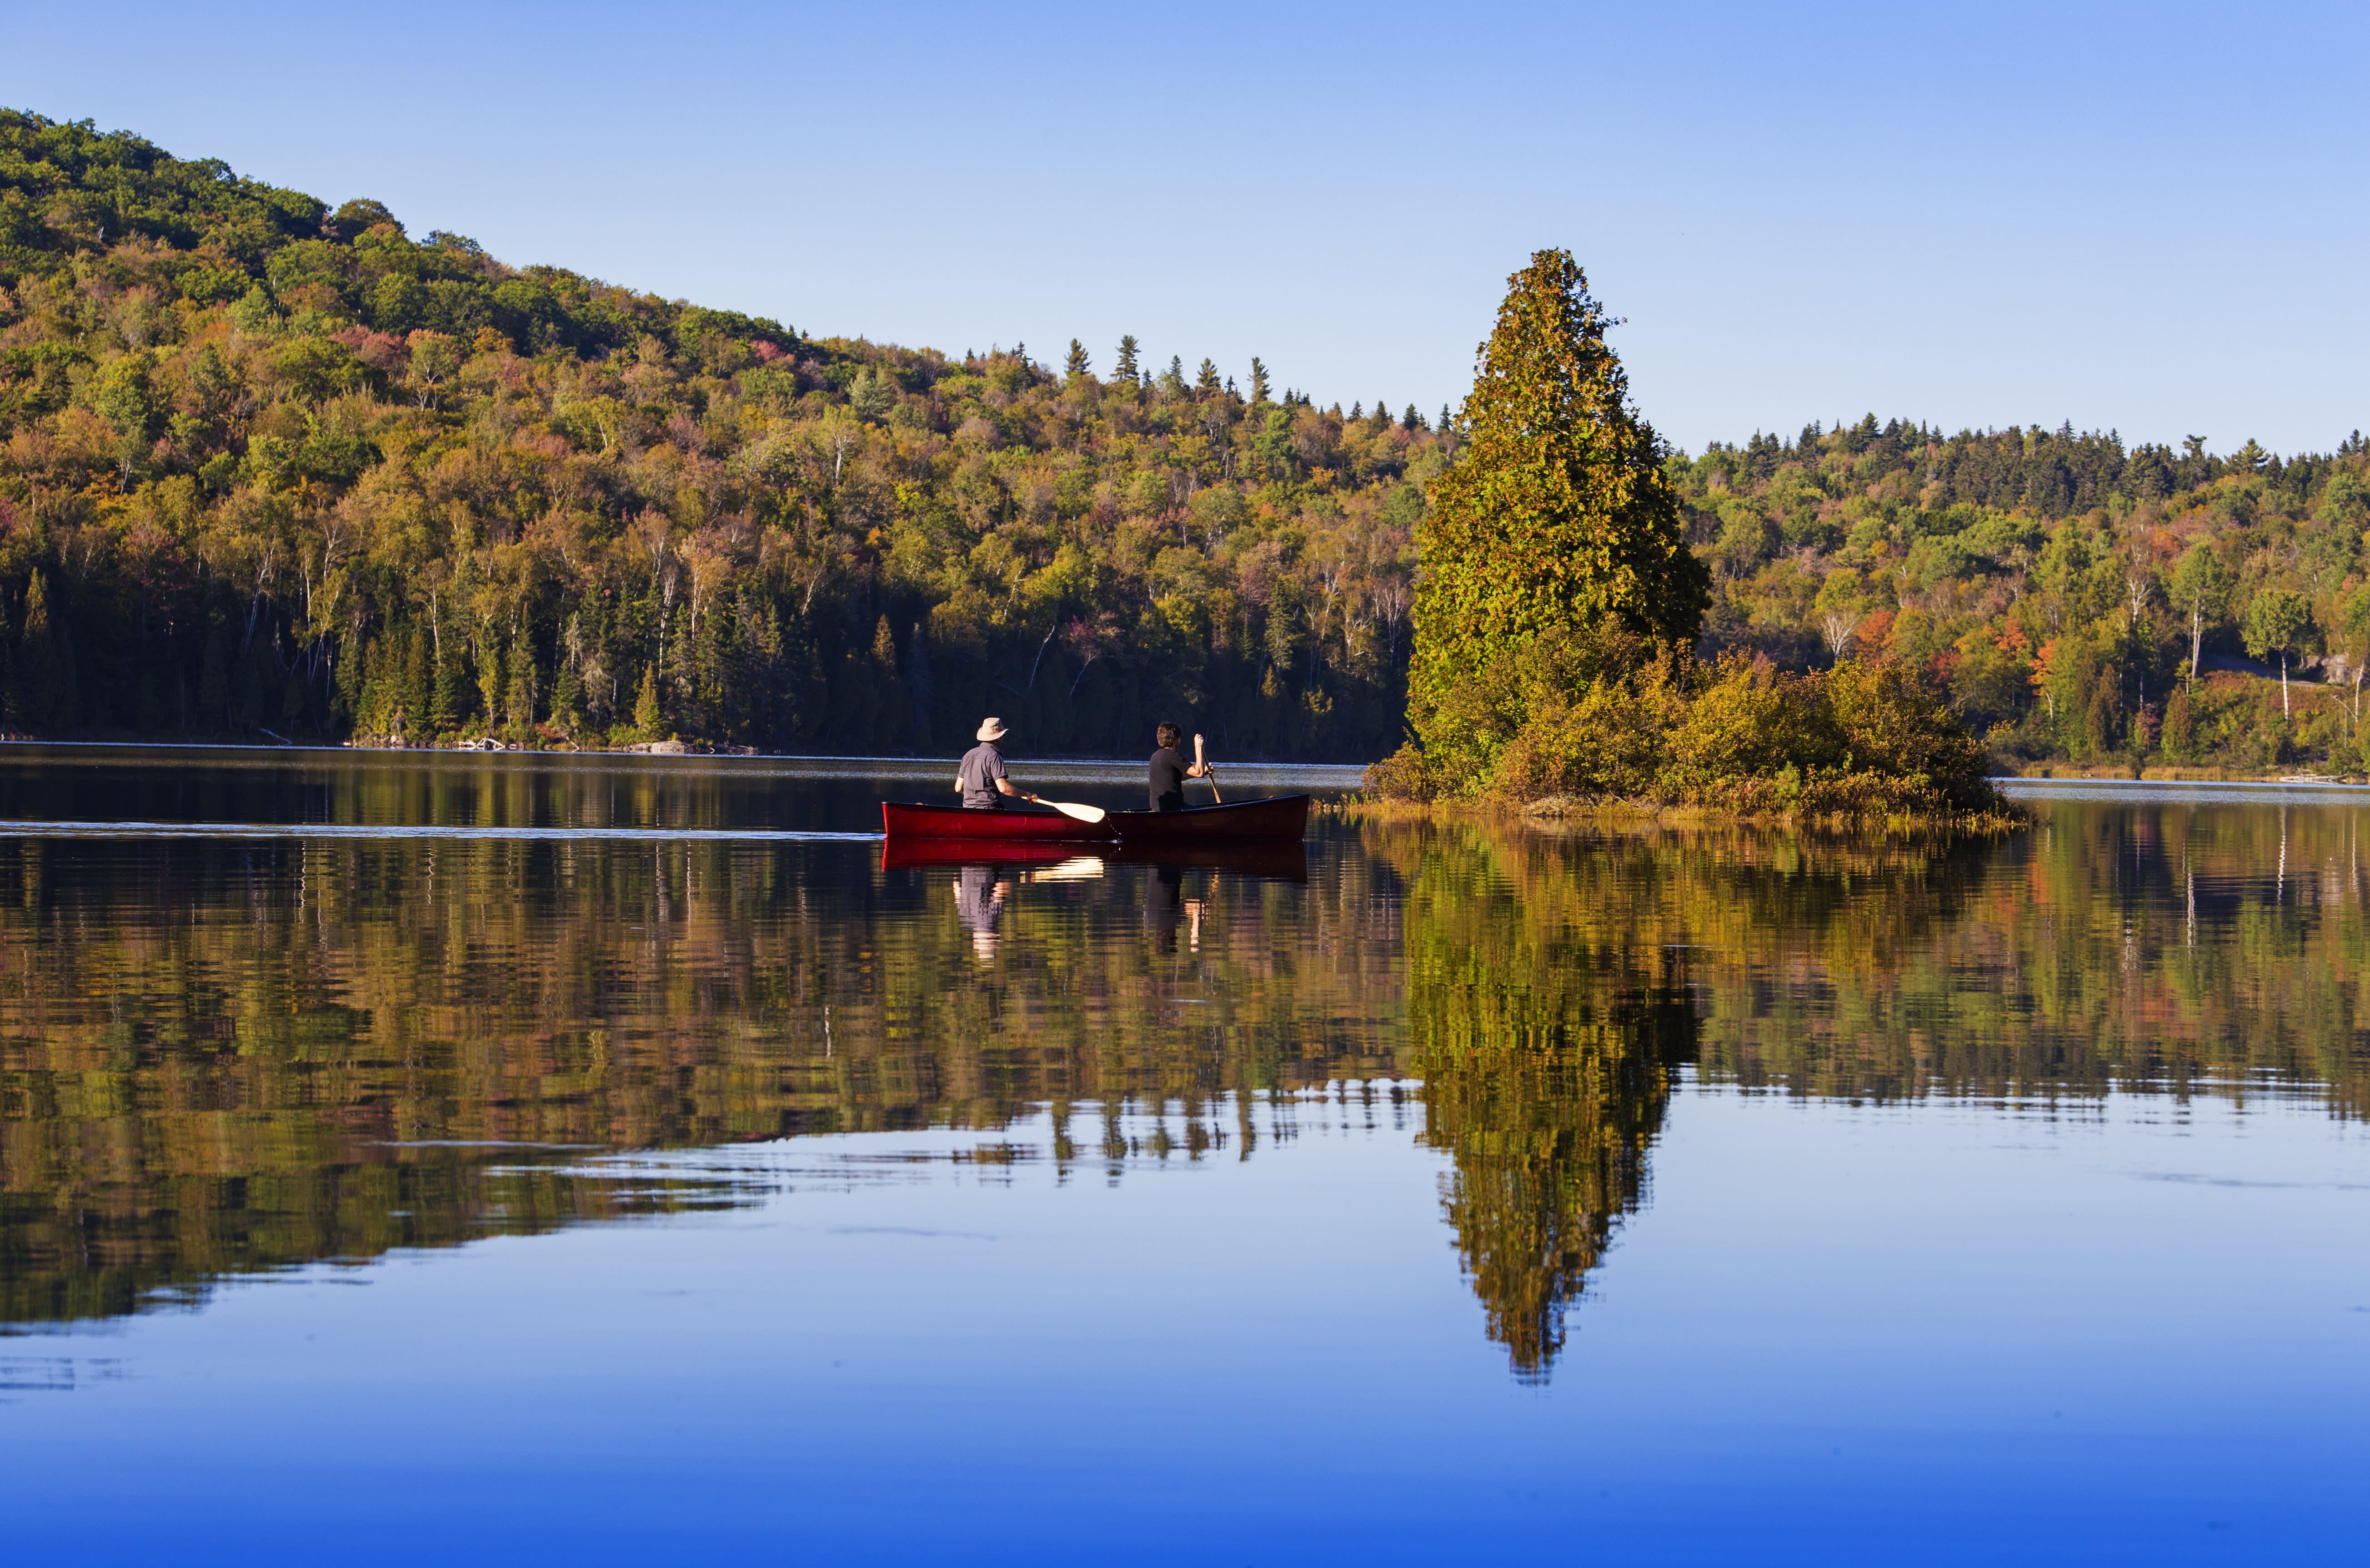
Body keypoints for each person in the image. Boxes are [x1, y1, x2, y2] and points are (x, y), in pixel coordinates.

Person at [956, 717, 1039, 810]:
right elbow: (1003, 788)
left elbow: (958, 788)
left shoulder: (968, 755)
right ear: (999, 738)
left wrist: (975, 798)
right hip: (990, 810)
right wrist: (1027, 794)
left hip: (968, 809)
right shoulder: (994, 755)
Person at [1147, 721, 1210, 812]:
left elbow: (1178, 777)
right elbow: (1199, 773)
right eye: (1179, 738)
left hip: (1158, 809)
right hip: (1175, 809)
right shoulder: (1173, 755)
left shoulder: (1155, 756)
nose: (1180, 741)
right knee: (1206, 814)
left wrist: (1204, 771)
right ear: (1175, 739)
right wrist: (1198, 747)